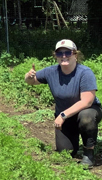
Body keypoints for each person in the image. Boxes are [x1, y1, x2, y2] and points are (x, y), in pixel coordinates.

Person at [24, 39, 101, 168]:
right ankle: (74, 135)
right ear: (56, 56)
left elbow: (87, 101)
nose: (64, 56)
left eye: (68, 53)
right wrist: (29, 77)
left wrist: (63, 115)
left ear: (75, 55)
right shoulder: (51, 72)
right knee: (65, 152)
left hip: (87, 111)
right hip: (66, 118)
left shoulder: (85, 73)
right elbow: (32, 81)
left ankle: (89, 153)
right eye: (60, 54)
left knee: (86, 118)